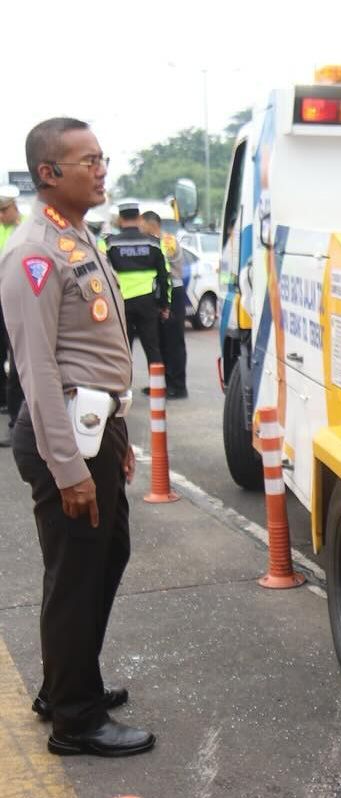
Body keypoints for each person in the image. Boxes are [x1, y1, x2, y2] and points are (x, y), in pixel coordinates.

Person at [1, 116, 154, 756]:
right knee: (76, 576)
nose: (100, 169)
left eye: (101, 157)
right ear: (47, 173)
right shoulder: (34, 252)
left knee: (102, 559)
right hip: (64, 437)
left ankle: (67, 681)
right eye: (85, 160)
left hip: (97, 430)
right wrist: (69, 470)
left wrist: (113, 444)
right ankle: (75, 720)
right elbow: (37, 371)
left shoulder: (78, 238)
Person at [105, 200, 169, 368]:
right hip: (147, 302)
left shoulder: (110, 244)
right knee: (153, 349)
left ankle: (124, 390)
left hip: (121, 303)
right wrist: (164, 305)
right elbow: (163, 276)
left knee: (123, 350)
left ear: (120, 219)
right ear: (139, 217)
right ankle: (157, 390)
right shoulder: (153, 243)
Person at [140, 211, 187, 398]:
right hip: (159, 294)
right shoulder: (151, 241)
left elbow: (160, 266)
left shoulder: (167, 241)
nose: (140, 229)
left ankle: (178, 385)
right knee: (159, 341)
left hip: (173, 293)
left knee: (174, 341)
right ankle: (161, 384)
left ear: (151, 224)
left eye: (142, 225)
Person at [0, 184, 24, 445]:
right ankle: (16, 424)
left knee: (23, 365)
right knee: (15, 364)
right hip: (4, 302)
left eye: (2, 211)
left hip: (26, 302)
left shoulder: (27, 227)